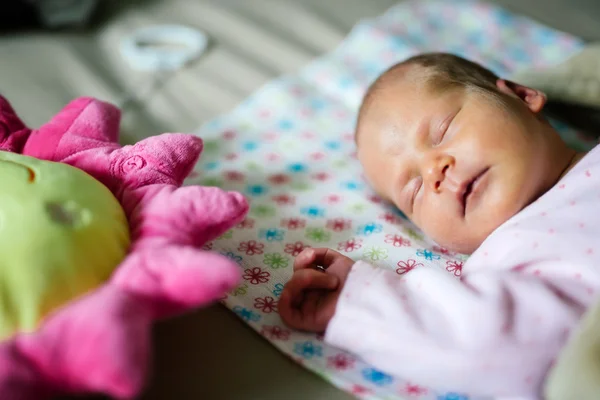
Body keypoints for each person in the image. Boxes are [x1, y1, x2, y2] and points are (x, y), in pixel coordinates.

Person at [278, 53, 600, 398]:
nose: (434, 172)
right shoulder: (504, 262)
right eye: (414, 191)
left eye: (444, 131)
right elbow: (486, 345)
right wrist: (353, 302)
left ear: (522, 96)